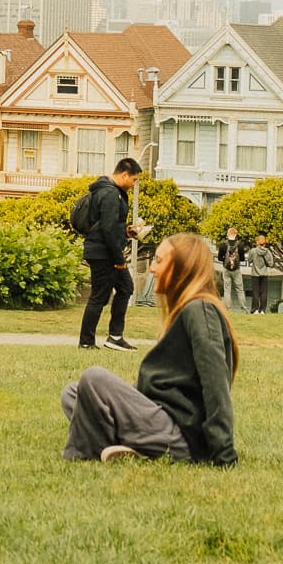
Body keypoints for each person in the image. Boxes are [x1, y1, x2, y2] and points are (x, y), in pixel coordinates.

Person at [62, 232, 238, 466]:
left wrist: (223, 452)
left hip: (181, 433)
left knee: (94, 379)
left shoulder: (200, 310)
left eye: (158, 260)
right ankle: (128, 446)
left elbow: (216, 383)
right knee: (73, 393)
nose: (153, 268)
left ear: (182, 267)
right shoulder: (186, 311)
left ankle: (86, 452)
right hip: (160, 417)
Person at [79, 157, 144, 352]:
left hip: (103, 249)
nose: (134, 185)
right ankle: (86, 342)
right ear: (124, 174)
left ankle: (115, 337)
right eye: (133, 180)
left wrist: (127, 231)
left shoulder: (111, 192)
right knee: (99, 296)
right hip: (102, 252)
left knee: (125, 288)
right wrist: (119, 260)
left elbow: (109, 226)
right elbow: (107, 229)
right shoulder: (109, 193)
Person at [216, 225, 246, 312]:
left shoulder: (223, 245)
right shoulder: (240, 245)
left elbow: (219, 258)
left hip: (226, 269)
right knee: (240, 289)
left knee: (227, 289)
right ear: (236, 235)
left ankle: (228, 309)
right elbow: (243, 259)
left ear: (227, 234)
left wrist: (227, 261)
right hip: (236, 269)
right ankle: (243, 309)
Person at [243, 234, 274, 314]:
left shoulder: (253, 251)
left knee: (255, 292)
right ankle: (263, 310)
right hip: (264, 274)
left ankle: (255, 309)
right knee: (264, 293)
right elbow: (271, 264)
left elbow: (249, 260)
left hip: (255, 274)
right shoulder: (268, 252)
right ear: (265, 243)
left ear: (257, 242)